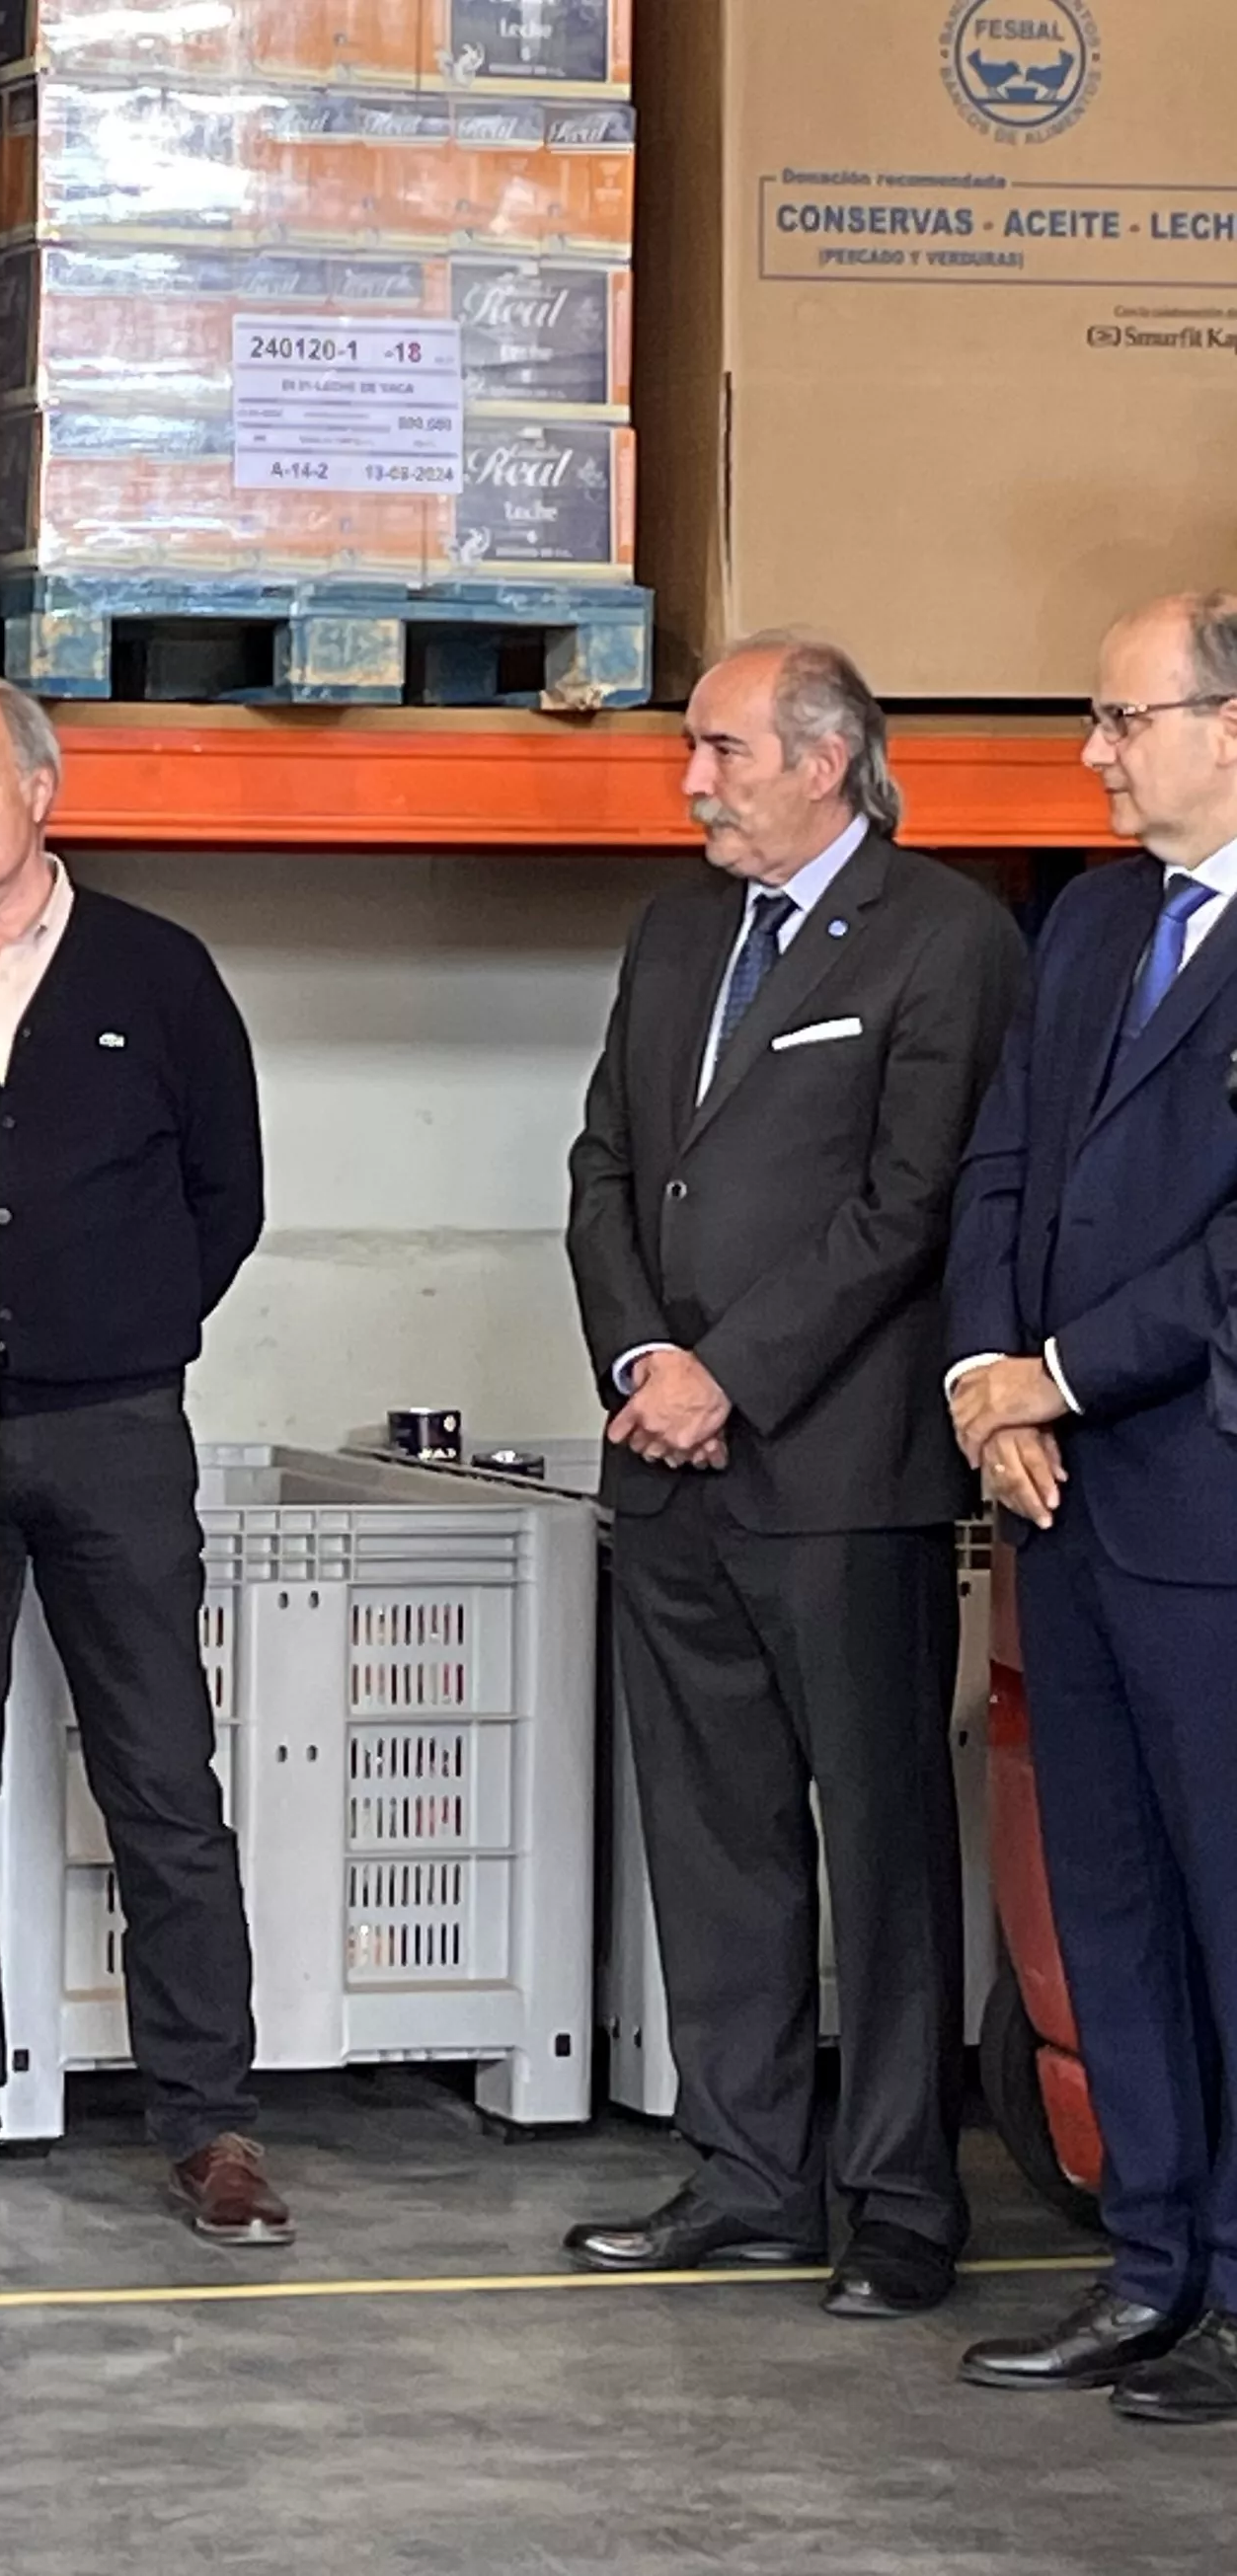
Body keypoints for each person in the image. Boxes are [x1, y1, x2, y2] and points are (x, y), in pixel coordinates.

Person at [562, 636, 1027, 2315]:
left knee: (881, 1846)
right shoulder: (676, 927)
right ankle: (748, 2174)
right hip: (665, 1467)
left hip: (839, 1479)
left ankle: (898, 2197)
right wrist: (640, 1367)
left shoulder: (944, 938)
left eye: (719, 749)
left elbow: (909, 1210)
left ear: (825, 760)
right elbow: (603, 1161)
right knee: (711, 1838)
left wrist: (728, 1374)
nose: (691, 779)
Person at [0, 673, 281, 2248]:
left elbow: (224, 1191)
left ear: (42, 791)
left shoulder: (157, 974)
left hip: (112, 1427)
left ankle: (210, 2122)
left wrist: (133, 1318)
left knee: (162, 1773)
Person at [946, 590, 1237, 2423]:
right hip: (1060, 1500)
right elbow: (997, 1164)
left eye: (1123, 719)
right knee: (1108, 1905)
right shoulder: (1085, 925)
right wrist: (985, 1378)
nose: (1092, 752)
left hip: (1197, 1500)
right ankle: (1151, 2270)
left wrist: (1060, 1371)